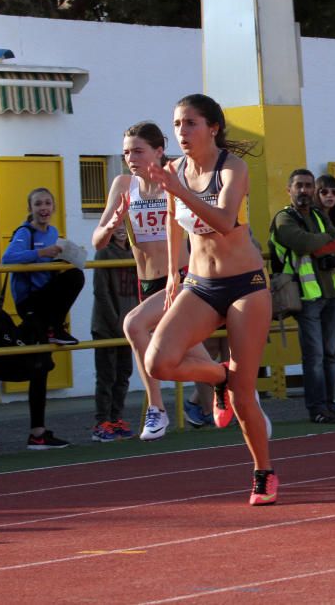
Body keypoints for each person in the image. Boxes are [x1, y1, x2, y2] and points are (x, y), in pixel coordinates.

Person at [144, 93, 277, 505]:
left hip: (245, 286)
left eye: (190, 123)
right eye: (177, 124)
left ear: (213, 127)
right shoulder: (174, 170)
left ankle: (263, 471)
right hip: (200, 284)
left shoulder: (233, 168)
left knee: (243, 395)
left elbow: (222, 221)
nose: (182, 132)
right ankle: (219, 377)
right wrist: (172, 273)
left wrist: (178, 190)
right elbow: (173, 224)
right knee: (158, 361)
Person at [93, 121, 213, 441]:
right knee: (194, 355)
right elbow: (98, 241)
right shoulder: (123, 185)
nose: (130, 158)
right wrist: (111, 224)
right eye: (125, 153)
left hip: (184, 278)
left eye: (138, 151)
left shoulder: (176, 179)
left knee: (134, 325)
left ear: (159, 152)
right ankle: (237, 389)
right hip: (148, 284)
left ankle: (156, 408)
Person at [2, 187, 85, 449]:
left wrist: (64, 255)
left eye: (48, 203)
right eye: (38, 204)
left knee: (42, 365)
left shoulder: (53, 234)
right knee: (39, 364)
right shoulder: (24, 233)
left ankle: (37, 433)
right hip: (30, 304)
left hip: (46, 306)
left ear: (54, 207)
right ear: (31, 208)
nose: (43, 208)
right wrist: (42, 253)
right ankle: (36, 433)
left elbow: (53, 257)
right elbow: (8, 259)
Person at [270, 169, 335, 424]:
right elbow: (301, 243)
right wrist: (322, 240)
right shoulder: (283, 218)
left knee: (329, 355)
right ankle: (317, 409)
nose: (304, 190)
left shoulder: (318, 214)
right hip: (305, 296)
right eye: (299, 186)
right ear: (289, 190)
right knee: (314, 357)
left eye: (308, 186)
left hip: (330, 292)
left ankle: (329, 405)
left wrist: (319, 240)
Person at [90, 226, 138, 442]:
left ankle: (117, 418)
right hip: (106, 327)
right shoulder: (104, 252)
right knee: (106, 375)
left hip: (128, 325)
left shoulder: (135, 251)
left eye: (124, 223)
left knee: (124, 373)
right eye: (116, 223)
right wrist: (116, 322)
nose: (121, 228)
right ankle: (102, 423)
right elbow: (101, 291)